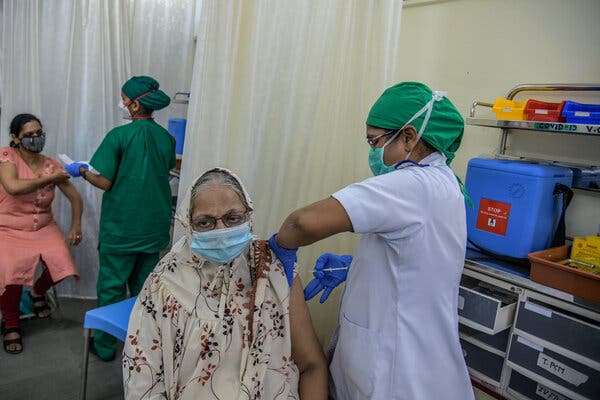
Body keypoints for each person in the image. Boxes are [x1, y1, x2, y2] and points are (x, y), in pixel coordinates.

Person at [268, 82, 475, 399]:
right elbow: (416, 262)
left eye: (375, 141)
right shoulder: (442, 182)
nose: (372, 152)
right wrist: (359, 269)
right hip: (411, 357)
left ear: (408, 136)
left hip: (398, 376)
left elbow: (301, 222)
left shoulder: (411, 185)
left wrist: (280, 248)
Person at [122, 168, 327, 399]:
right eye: (205, 222)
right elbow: (143, 383)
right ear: (188, 225)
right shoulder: (165, 283)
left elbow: (311, 366)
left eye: (232, 218)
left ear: (248, 215)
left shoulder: (273, 270)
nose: (221, 231)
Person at [65, 76, 176, 361]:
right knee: (144, 290)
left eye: (125, 98)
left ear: (135, 104)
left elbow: (105, 182)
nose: (123, 103)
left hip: (122, 229)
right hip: (154, 228)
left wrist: (81, 171)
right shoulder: (167, 138)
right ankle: (140, 344)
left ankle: (103, 347)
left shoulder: (118, 136)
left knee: (112, 288)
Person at [0, 113, 83, 354]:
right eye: (29, 135)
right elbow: (13, 187)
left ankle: (37, 290)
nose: (35, 139)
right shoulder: (7, 156)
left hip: (44, 227)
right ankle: (12, 323)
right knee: (10, 268)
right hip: (9, 227)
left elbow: (75, 198)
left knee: (63, 264)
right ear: (16, 138)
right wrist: (50, 179)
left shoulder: (51, 165)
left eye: (39, 133)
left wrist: (76, 225)